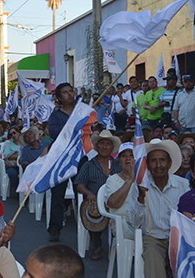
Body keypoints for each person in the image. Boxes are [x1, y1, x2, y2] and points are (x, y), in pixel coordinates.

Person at [126, 139, 189, 278]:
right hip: (152, 237)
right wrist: (139, 198)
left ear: (170, 164)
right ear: (147, 164)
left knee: (185, 260)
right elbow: (133, 223)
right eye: (153, 161)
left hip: (177, 237)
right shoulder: (139, 187)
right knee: (152, 254)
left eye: (162, 160)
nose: (158, 165)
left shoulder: (183, 185)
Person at [74, 130, 121, 261]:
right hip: (95, 201)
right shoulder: (89, 165)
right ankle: (97, 246)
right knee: (92, 211)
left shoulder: (118, 164)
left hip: (116, 200)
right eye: (102, 144)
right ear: (97, 146)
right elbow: (79, 184)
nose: (105, 147)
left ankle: (121, 245)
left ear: (112, 148)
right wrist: (89, 194)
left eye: (108, 144)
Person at [47, 83, 77, 242]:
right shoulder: (55, 116)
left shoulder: (81, 111)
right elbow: (54, 133)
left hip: (79, 157)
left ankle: (90, 227)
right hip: (61, 159)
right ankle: (54, 228)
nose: (69, 94)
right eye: (65, 92)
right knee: (58, 194)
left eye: (71, 91)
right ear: (59, 98)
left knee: (83, 190)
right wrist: (71, 127)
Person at [104, 143, 140, 240]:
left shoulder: (144, 180)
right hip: (122, 222)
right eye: (124, 156)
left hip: (142, 221)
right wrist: (129, 181)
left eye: (131, 155)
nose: (128, 158)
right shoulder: (112, 180)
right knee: (140, 236)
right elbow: (112, 203)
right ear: (119, 161)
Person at [3, 127, 23, 192]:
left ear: (18, 132)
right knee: (12, 173)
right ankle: (18, 191)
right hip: (13, 165)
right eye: (11, 134)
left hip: (23, 163)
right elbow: (7, 156)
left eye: (14, 133)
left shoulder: (24, 143)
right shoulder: (8, 144)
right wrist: (18, 157)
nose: (13, 135)